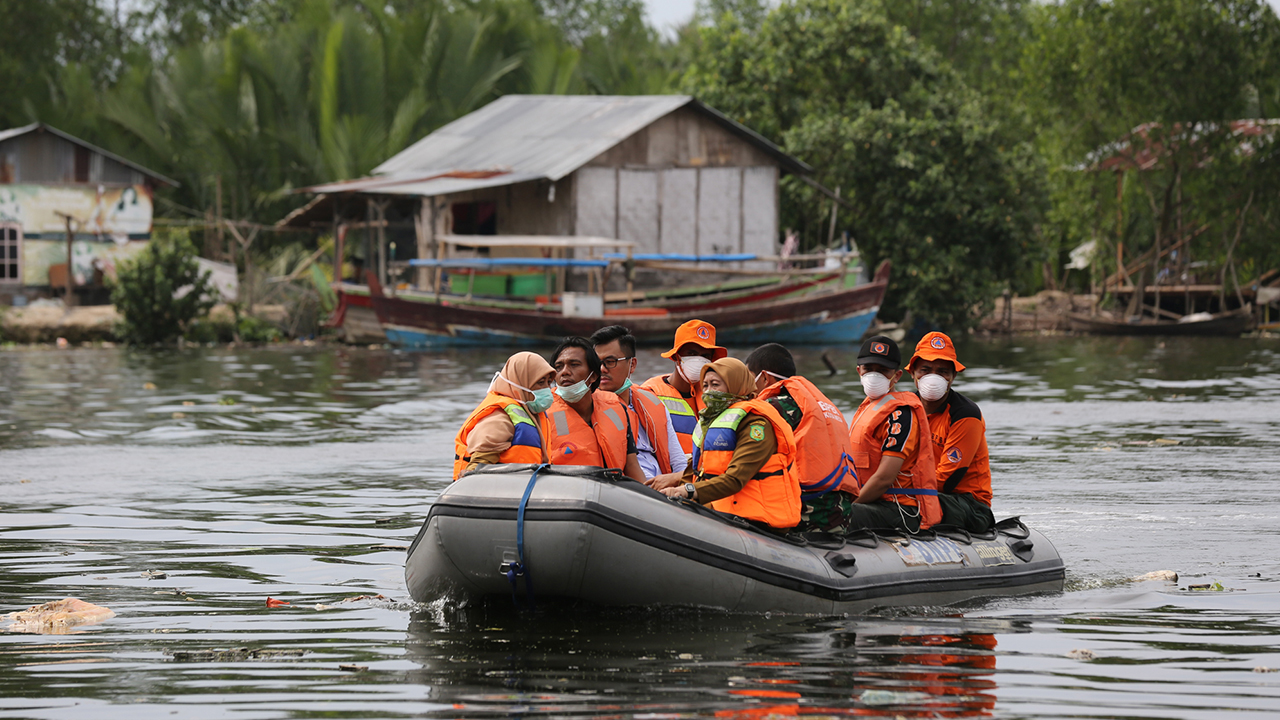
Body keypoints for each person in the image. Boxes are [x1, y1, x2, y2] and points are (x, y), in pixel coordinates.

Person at [659, 357, 801, 530]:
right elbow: (694, 472)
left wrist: (687, 490)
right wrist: (675, 493)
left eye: (715, 384)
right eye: (705, 386)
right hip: (720, 511)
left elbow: (735, 479)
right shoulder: (710, 422)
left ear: (735, 384)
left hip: (757, 522)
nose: (709, 391)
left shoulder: (757, 425)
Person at [746, 343, 860, 534]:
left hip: (806, 516)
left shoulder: (773, 407)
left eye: (748, 378)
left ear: (764, 378)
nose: (746, 386)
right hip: (840, 515)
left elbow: (743, 459)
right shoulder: (822, 405)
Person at [845, 335, 942, 533]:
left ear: (896, 376)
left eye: (882, 371)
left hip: (897, 508)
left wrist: (849, 505)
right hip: (870, 502)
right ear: (859, 372)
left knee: (835, 515)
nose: (874, 375)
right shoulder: (867, 408)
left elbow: (884, 479)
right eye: (868, 369)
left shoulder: (901, 413)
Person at [908, 332, 995, 533]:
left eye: (942, 372)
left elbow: (946, 481)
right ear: (912, 373)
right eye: (926, 370)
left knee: (899, 506)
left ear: (953, 376)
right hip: (917, 492)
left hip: (969, 504)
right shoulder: (904, 410)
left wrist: (895, 492)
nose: (933, 378)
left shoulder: (965, 414)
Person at [590, 325, 690, 484]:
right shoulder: (586, 406)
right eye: (596, 363)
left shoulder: (652, 402)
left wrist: (682, 489)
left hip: (666, 490)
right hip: (625, 494)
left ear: (633, 365)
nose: (602, 369)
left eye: (610, 362)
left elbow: (678, 461)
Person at [544, 337, 646, 483]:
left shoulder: (617, 408)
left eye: (574, 365)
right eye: (559, 367)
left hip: (615, 493)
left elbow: (632, 465)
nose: (564, 372)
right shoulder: (543, 414)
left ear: (594, 375)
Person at [452, 351, 554, 479]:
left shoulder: (532, 413)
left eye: (549, 382)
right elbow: (480, 462)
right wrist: (471, 475)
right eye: (540, 382)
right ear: (521, 382)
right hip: (501, 491)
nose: (546, 389)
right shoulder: (500, 416)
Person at [639, 319, 727, 453]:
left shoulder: (716, 393)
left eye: (705, 356)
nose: (698, 360)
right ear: (676, 356)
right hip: (670, 471)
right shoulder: (650, 392)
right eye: (691, 353)